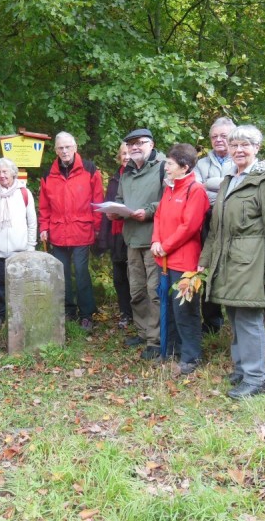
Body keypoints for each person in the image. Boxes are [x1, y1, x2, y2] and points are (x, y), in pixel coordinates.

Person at [198, 125, 265, 399]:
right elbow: (216, 229)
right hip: (227, 260)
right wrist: (205, 260)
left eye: (245, 145)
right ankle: (241, 369)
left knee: (248, 318)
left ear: (257, 148)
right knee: (234, 315)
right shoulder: (228, 180)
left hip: (252, 261)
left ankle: (256, 378)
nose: (239, 150)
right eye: (234, 145)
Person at [151, 144, 210, 375]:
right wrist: (156, 241)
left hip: (186, 263)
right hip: (164, 260)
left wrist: (165, 246)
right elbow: (158, 216)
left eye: (170, 164)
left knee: (185, 309)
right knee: (169, 308)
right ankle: (173, 349)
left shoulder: (195, 190)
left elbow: (189, 227)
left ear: (184, 167)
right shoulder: (170, 188)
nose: (166, 167)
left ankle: (191, 356)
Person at [38, 131, 103, 331]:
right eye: (60, 148)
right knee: (61, 273)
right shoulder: (48, 174)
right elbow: (44, 206)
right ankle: (68, 310)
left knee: (82, 273)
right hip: (57, 233)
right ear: (55, 150)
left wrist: (98, 229)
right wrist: (44, 228)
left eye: (68, 147)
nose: (64, 151)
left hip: (82, 231)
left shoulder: (90, 170)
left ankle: (86, 314)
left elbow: (98, 203)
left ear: (75, 148)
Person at [115, 128, 166, 360]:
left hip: (155, 239)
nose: (135, 147)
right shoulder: (126, 172)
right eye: (131, 144)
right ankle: (144, 332)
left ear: (151, 144)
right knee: (136, 291)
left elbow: (168, 200)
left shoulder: (163, 167)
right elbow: (119, 199)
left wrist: (146, 212)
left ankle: (156, 341)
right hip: (132, 240)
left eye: (140, 143)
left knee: (154, 292)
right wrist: (114, 211)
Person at [0, 158, 37, 327]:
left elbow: (31, 221)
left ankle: (17, 315)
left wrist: (31, 247)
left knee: (18, 285)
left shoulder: (24, 193)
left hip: (18, 249)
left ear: (13, 172)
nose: (2, 175)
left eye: (5, 172)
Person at [194, 117, 237, 334]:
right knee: (208, 267)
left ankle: (237, 317)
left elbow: (241, 186)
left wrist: (211, 184)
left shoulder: (241, 157)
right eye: (214, 136)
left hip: (236, 223)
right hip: (208, 221)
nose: (219, 140)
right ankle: (212, 321)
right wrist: (225, 184)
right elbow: (196, 190)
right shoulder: (201, 163)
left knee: (233, 268)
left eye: (224, 135)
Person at [97, 142, 133, 329]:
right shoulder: (114, 179)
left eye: (129, 153)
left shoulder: (138, 176)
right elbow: (107, 209)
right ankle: (125, 313)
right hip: (116, 234)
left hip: (134, 233)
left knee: (135, 277)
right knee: (119, 278)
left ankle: (139, 313)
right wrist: (103, 239)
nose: (126, 157)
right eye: (123, 153)